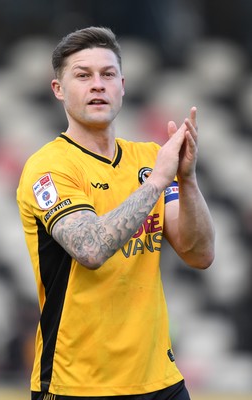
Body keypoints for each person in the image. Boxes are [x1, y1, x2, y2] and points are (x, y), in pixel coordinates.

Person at [16, 26, 215, 400]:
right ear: (58, 89)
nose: (97, 85)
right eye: (82, 75)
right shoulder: (49, 167)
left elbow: (200, 253)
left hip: (160, 380)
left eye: (107, 74)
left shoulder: (147, 159)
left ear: (122, 85)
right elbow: (90, 249)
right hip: (78, 384)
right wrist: (158, 181)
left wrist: (186, 180)